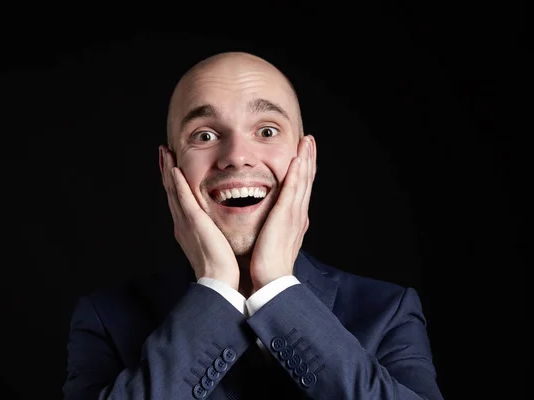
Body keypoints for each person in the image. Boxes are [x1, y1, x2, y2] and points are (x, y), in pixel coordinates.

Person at [62, 51, 444, 400]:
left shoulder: (389, 310)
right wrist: (216, 287)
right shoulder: (105, 318)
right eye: (205, 135)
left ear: (305, 157)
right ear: (169, 168)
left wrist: (277, 287)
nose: (237, 157)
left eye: (267, 131)